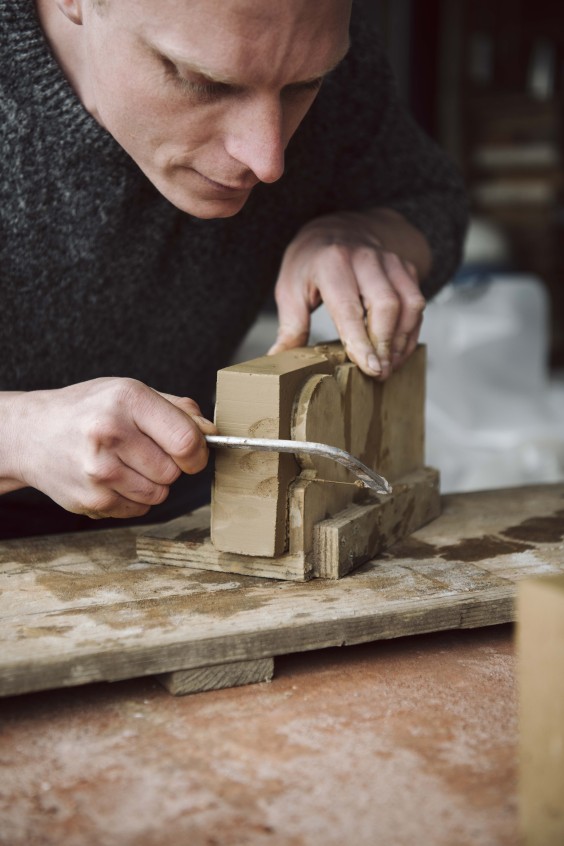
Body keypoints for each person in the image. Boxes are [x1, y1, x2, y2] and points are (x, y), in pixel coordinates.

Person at [0, 0, 468, 539]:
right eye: (206, 83)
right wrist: (21, 438)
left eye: (303, 87)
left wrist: (364, 233)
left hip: (188, 518)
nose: (268, 160)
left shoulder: (304, 34)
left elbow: (430, 200)